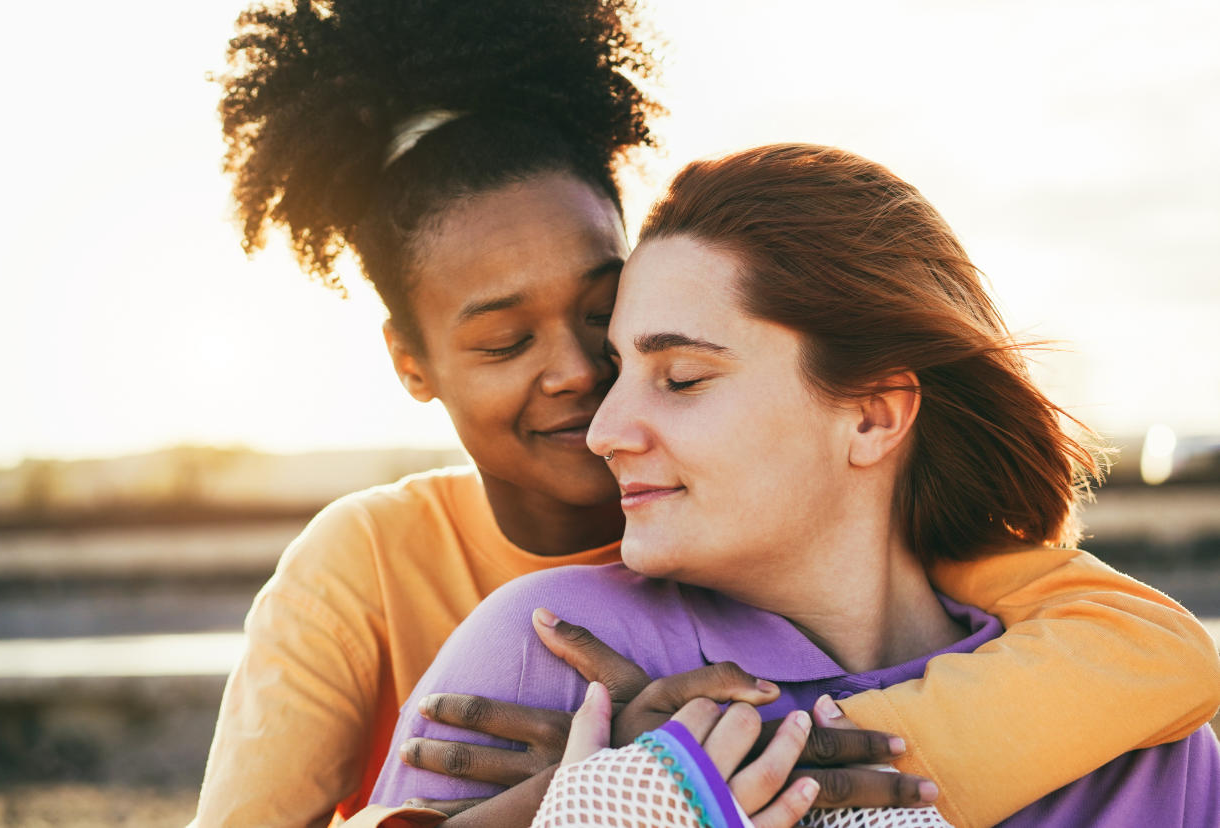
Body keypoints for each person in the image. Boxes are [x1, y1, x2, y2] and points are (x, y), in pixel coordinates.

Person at [193, 1, 1220, 825]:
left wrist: (782, 762)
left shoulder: (936, 558)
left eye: (612, 325)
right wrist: (563, 802)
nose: (591, 393)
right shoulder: (392, 577)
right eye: (505, 343)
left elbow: (1155, 652)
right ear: (411, 363)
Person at [366, 145, 1220, 828]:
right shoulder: (547, 654)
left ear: (874, 416)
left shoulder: (1131, 739)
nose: (604, 431)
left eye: (684, 378)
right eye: (620, 368)